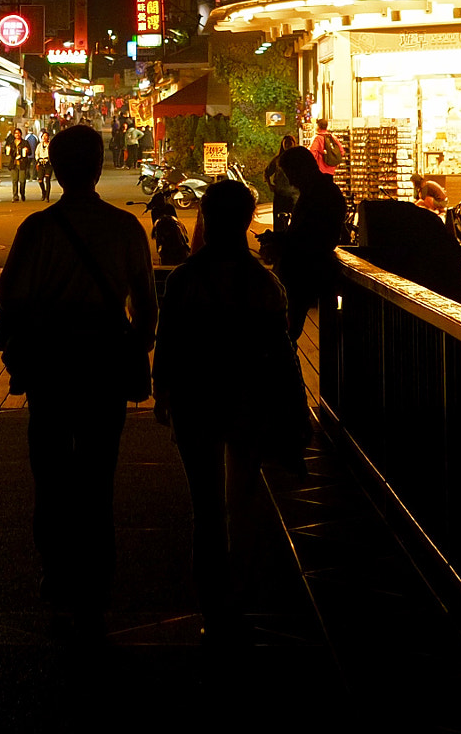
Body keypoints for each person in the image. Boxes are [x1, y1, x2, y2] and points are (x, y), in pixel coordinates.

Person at [0, 125, 157, 643]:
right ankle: (96, 583)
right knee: (97, 474)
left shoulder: (37, 230)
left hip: (50, 362)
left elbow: (12, 298)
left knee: (50, 469)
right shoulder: (126, 227)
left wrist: (12, 344)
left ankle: (57, 570)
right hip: (105, 362)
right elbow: (147, 304)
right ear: (99, 165)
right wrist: (139, 345)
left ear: (57, 170)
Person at [153, 178, 308, 647]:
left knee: (205, 505)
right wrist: (296, 412)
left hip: (195, 402)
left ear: (205, 218)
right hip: (247, 402)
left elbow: (169, 346)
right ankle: (239, 596)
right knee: (242, 501)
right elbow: (282, 355)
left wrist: (163, 395)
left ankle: (211, 601)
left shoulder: (184, 280)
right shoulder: (264, 283)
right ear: (246, 221)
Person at [273, 144, 346, 341]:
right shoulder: (323, 192)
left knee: (288, 330)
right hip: (307, 271)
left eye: (290, 173)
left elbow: (310, 238)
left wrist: (281, 241)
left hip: (304, 272)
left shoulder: (319, 196)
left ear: (300, 170)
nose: (290, 180)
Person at [263, 134, 299, 232]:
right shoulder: (277, 160)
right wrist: (270, 185)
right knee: (279, 224)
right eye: (286, 142)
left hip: (294, 195)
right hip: (280, 194)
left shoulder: (298, 159)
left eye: (290, 142)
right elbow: (267, 172)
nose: (288, 144)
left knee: (297, 223)